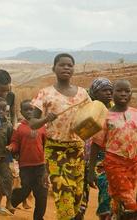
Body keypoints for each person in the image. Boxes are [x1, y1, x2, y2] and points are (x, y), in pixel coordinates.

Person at [30, 53, 91, 220]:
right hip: (56, 152)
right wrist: (45, 118)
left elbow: (91, 118)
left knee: (77, 196)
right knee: (64, 195)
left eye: (69, 65)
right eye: (62, 65)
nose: (66, 67)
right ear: (54, 68)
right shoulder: (45, 93)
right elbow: (32, 123)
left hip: (77, 151)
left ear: (73, 69)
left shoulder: (83, 94)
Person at [89, 79, 136, 217]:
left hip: (133, 165)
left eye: (127, 91)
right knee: (131, 205)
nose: (123, 94)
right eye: (119, 90)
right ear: (113, 93)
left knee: (120, 204)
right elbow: (96, 144)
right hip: (115, 165)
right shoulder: (106, 116)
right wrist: (91, 171)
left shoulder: (135, 113)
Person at [8, 100, 48, 220]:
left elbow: (46, 145)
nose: (29, 112)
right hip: (25, 166)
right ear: (21, 112)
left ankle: (38, 217)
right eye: (26, 109)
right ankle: (10, 203)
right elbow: (15, 142)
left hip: (41, 165)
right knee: (24, 190)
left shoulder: (43, 126)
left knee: (42, 194)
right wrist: (11, 147)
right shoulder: (19, 127)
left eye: (32, 109)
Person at [83, 78, 113, 219]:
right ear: (95, 92)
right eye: (104, 90)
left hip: (111, 157)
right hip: (90, 156)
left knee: (108, 193)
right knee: (82, 195)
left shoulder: (115, 108)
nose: (109, 93)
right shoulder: (89, 109)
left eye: (110, 90)